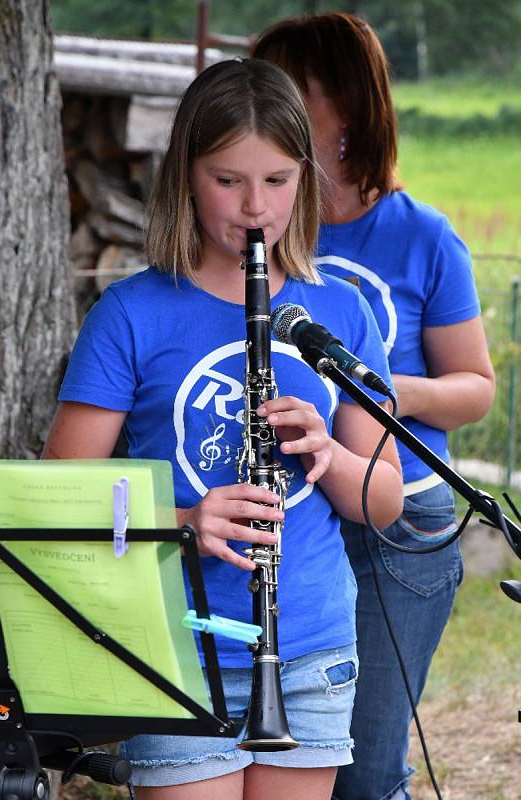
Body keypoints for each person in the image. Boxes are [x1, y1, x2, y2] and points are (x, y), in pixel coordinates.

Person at [42, 58, 403, 800]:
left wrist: (328, 451)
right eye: (226, 180)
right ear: (185, 176)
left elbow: (383, 501)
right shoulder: (132, 313)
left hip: (310, 649)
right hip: (172, 646)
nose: (253, 208)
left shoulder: (338, 315)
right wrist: (182, 521)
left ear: (303, 178)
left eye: (275, 180)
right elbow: (60, 505)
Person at [252, 14, 496, 800]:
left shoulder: (423, 237)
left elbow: (475, 388)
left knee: (362, 769)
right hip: (293, 524)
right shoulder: (262, 218)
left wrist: (376, 388)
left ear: (346, 109)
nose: (266, 105)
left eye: (288, 88)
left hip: (400, 531)